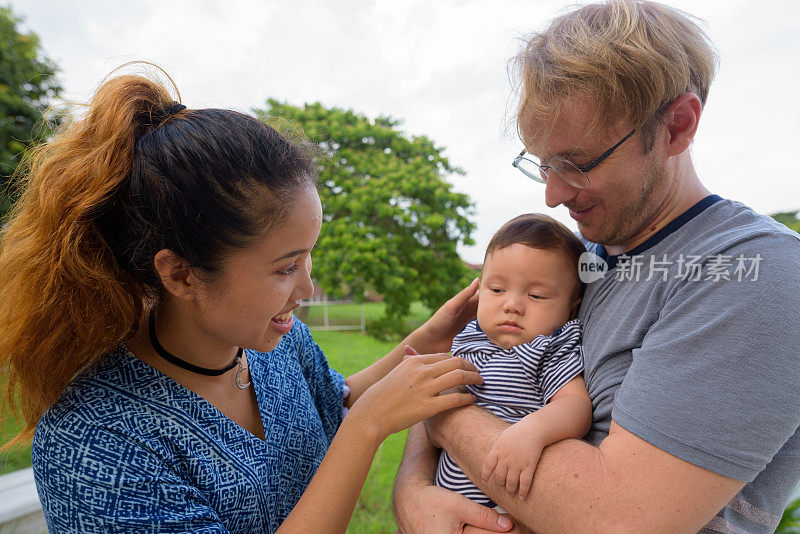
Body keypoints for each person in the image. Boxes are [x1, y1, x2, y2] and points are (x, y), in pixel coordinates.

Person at [0, 66, 486, 533]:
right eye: (284, 267)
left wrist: (428, 338)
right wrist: (366, 429)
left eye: (308, 258)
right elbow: (356, 418)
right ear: (180, 274)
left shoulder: (278, 341)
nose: (306, 290)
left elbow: (330, 402)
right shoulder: (96, 440)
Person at [392, 1, 800, 532]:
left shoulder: (754, 274)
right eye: (542, 162)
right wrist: (413, 492)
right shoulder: (579, 265)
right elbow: (474, 357)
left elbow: (617, 518)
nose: (553, 193)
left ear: (678, 125)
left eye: (577, 164)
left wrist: (444, 415)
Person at [433, 214, 591, 508]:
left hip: (504, 508)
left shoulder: (550, 347)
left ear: (571, 310)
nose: (512, 305)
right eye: (497, 290)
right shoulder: (470, 336)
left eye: (536, 295)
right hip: (442, 500)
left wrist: (533, 431)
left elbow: (575, 405)